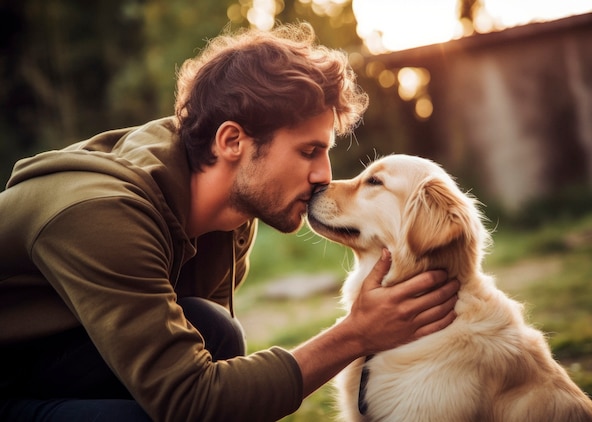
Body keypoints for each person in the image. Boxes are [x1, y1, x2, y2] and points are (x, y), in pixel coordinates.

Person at [0, 23, 459, 421]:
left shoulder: (231, 213)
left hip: (42, 363)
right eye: (308, 151)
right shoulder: (103, 216)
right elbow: (193, 404)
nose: (324, 176)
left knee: (213, 328)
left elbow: (208, 371)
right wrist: (355, 334)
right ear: (232, 140)